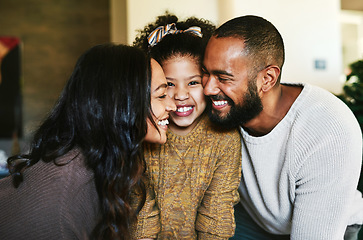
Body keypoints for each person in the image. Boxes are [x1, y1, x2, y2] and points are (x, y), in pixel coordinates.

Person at [202, 15, 363, 240]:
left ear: (267, 79)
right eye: (206, 72)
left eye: (223, 77)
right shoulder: (224, 108)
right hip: (256, 220)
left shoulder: (329, 129)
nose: (208, 88)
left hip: (330, 225)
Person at [0, 43, 176, 240]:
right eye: (161, 95)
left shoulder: (98, 163)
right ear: (120, 105)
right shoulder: (62, 205)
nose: (173, 104)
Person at [133, 13, 242, 239]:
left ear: (209, 82)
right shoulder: (144, 133)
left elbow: (217, 216)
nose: (181, 95)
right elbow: (141, 216)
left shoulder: (225, 139)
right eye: (169, 84)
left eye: (193, 82)